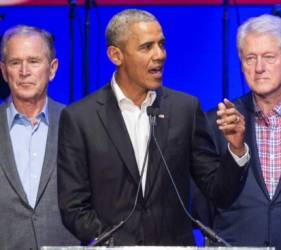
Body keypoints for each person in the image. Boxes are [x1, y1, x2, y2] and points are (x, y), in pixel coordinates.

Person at [57, 9, 249, 246]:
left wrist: (236, 149)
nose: (160, 55)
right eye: (147, 47)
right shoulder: (80, 118)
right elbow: (73, 206)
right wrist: (112, 243)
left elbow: (219, 192)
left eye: (162, 44)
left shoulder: (184, 109)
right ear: (116, 55)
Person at [206, 14, 281, 250]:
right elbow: (205, 203)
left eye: (269, 57)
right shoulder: (216, 123)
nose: (259, 68)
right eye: (250, 58)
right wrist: (235, 149)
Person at [0, 25, 78, 249]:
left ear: (52, 69)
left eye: (34, 61)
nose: (24, 71)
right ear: (4, 72)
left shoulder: (77, 123)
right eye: (15, 63)